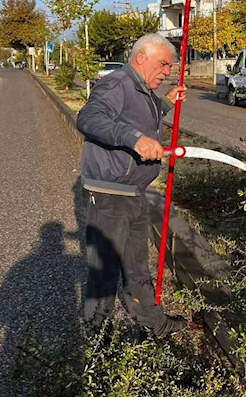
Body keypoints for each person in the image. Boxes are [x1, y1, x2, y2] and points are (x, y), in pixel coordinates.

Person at [77, 33, 188, 337]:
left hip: (133, 192)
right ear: (142, 57)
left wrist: (166, 103)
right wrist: (134, 139)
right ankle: (97, 339)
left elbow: (137, 117)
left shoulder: (142, 88)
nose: (167, 72)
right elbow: (89, 118)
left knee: (137, 266)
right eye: (164, 64)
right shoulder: (118, 83)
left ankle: (152, 323)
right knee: (105, 270)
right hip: (111, 193)